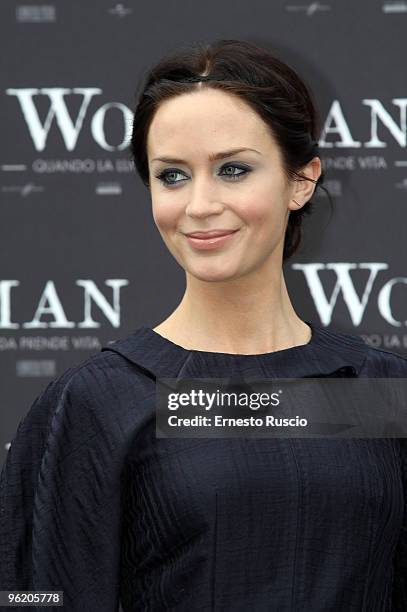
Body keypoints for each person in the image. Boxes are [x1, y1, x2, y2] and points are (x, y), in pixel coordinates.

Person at [1, 38, 406, 611]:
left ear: (301, 180)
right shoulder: (102, 402)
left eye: (233, 169)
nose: (199, 204)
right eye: (172, 176)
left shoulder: (380, 392)